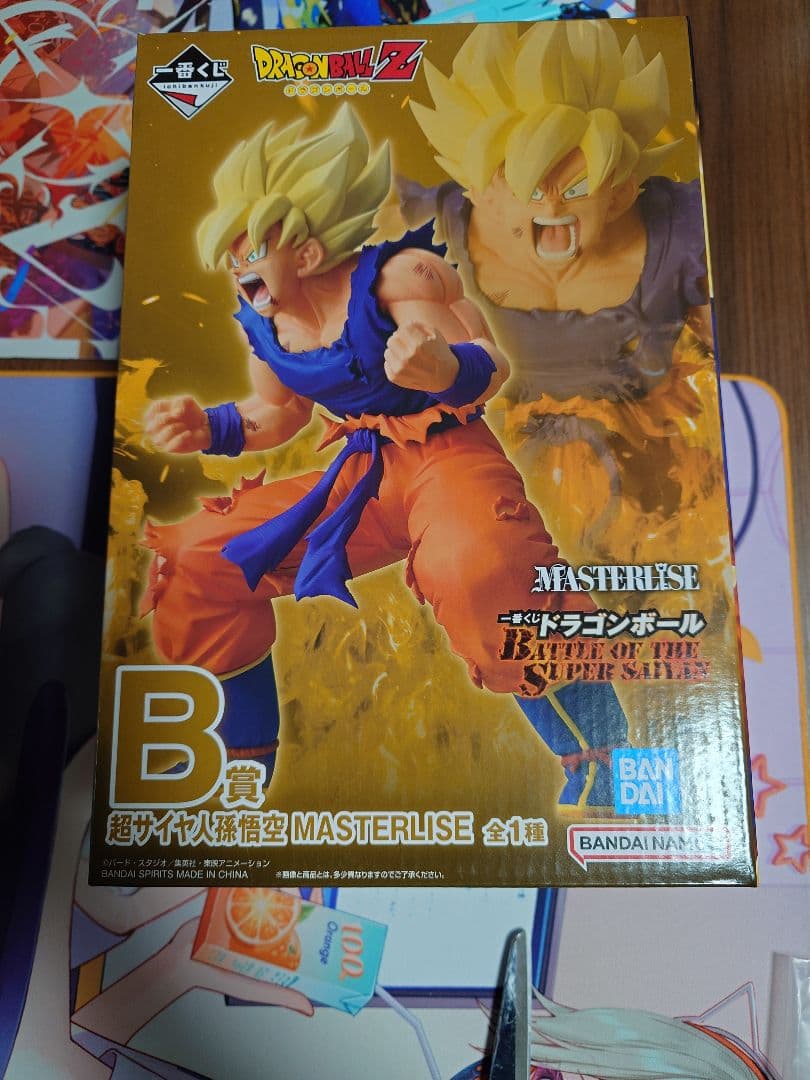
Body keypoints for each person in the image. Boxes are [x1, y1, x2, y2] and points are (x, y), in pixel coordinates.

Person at [142, 105, 629, 809]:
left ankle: (601, 757)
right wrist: (209, 426)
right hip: (365, 472)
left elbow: (488, 362)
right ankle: (239, 765)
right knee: (199, 556)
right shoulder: (267, 323)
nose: (238, 268)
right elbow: (277, 412)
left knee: (483, 569)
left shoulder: (399, 280)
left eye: (250, 251)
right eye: (233, 256)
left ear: (307, 252)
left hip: (448, 457)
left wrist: (443, 367)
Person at [405, 21, 723, 563]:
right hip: (487, 489)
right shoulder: (423, 229)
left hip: (654, 493)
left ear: (620, 191)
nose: (552, 206)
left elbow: (745, 369)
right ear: (481, 191)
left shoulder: (684, 229)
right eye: (529, 185)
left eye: (576, 187)